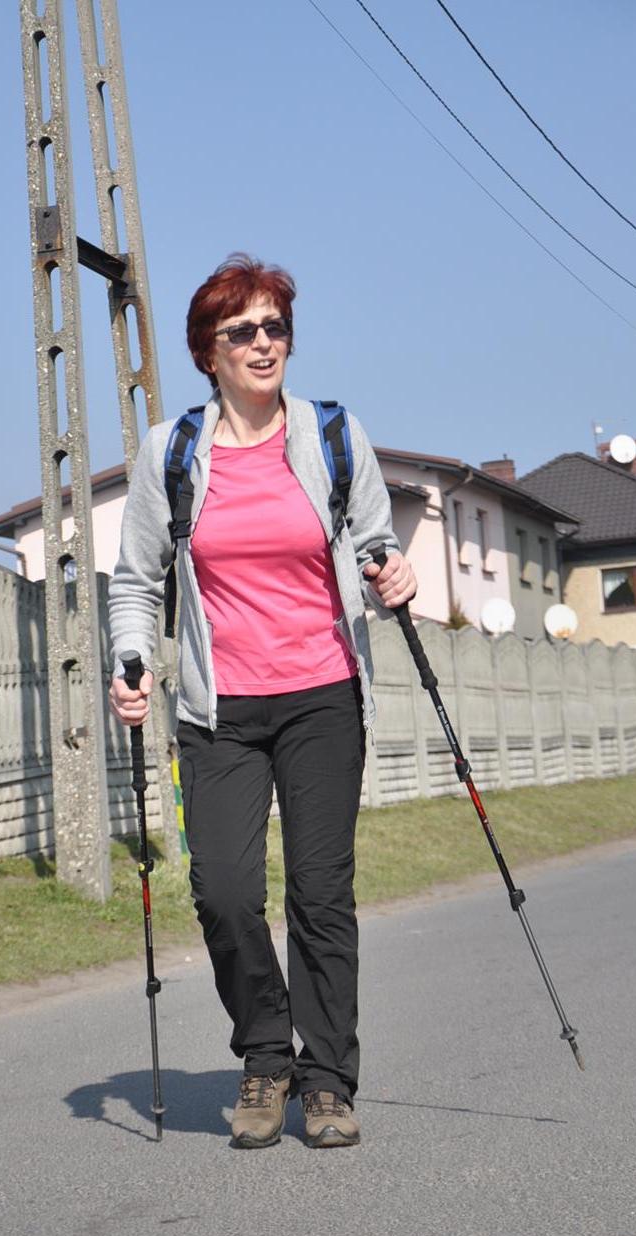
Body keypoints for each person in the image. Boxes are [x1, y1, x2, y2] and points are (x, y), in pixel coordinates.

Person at [108, 254, 417, 1149]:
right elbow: (136, 580)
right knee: (225, 891)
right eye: (241, 329)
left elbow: (374, 539)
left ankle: (326, 1081)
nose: (262, 342)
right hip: (220, 712)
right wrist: (131, 660)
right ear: (208, 350)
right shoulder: (172, 453)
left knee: (320, 895)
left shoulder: (332, 435)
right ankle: (266, 1052)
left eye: (275, 326)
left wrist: (392, 571)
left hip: (322, 694)